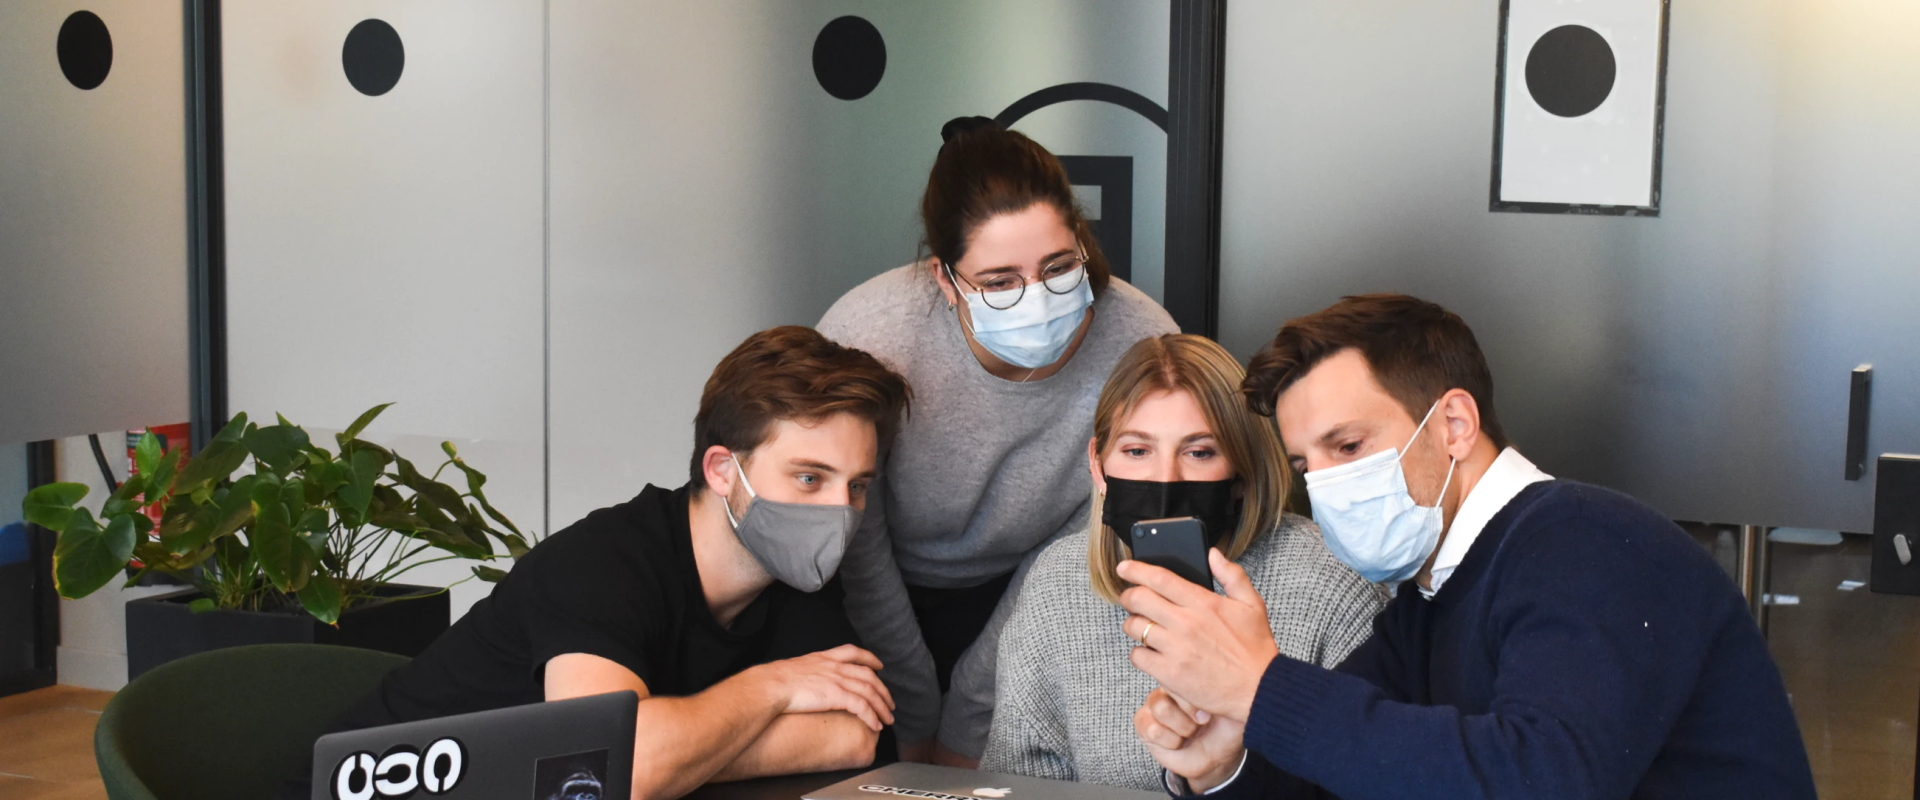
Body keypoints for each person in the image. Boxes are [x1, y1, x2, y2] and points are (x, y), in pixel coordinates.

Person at [1121, 295, 1816, 799]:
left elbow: (1541, 778)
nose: (1326, 487)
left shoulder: (1588, 543)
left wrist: (1260, 686)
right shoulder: (1429, 596)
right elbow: (1348, 772)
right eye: (1307, 465)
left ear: (1453, 423)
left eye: (1349, 446)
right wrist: (1225, 767)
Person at [323, 327, 913, 800]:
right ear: (721, 470)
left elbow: (853, 735)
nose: (839, 511)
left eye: (857, 486)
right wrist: (772, 688)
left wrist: (672, 757)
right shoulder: (603, 562)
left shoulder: (797, 574)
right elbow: (610, 773)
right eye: (809, 478)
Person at [818, 117, 1179, 763]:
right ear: (943, 278)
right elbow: (853, 536)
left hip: (1038, 585)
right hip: (872, 580)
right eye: (999, 282)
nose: (1036, 299)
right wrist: (916, 709)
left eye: (1058, 267)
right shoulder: (871, 337)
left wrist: (970, 716)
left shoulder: (1140, 344)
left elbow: (1083, 542)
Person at [979, 334, 1385, 789]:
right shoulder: (1058, 581)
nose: (1165, 479)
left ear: (1241, 472)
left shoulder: (1331, 578)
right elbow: (1016, 778)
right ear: (1098, 465)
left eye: (1199, 452)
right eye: (1137, 451)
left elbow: (1373, 775)